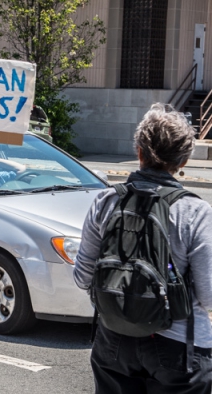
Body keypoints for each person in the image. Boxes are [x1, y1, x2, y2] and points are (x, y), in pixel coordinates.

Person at [74, 103, 212, 393]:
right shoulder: (195, 211)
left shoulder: (105, 201)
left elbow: (83, 277)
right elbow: (209, 295)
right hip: (179, 347)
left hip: (113, 338)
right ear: (183, 161)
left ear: (139, 152)